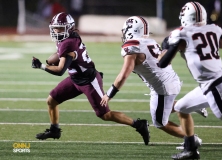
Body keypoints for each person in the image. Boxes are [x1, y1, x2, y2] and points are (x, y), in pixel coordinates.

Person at [31, 12, 150, 145]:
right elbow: (62, 53)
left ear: (69, 28)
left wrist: (41, 65)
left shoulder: (68, 43)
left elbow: (60, 70)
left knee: (105, 115)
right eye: (55, 28)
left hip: (89, 81)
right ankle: (54, 130)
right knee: (51, 100)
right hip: (75, 78)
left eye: (59, 28)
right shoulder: (70, 37)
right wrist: (52, 59)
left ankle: (139, 124)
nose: (56, 31)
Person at [100, 16, 203, 147]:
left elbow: (123, 76)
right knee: (162, 109)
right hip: (170, 80)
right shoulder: (150, 42)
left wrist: (109, 94)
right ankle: (191, 105)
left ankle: (191, 140)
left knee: (160, 122)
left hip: (162, 87)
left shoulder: (132, 47)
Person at [158, 2, 222, 159]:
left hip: (215, 90)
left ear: (185, 17)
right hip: (211, 86)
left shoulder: (182, 34)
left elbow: (163, 63)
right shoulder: (212, 30)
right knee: (182, 108)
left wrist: (166, 48)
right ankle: (191, 150)